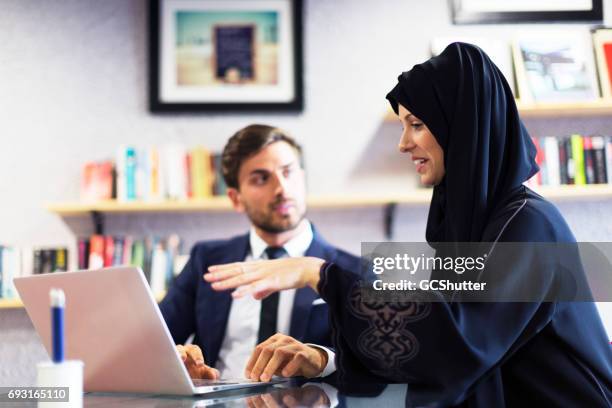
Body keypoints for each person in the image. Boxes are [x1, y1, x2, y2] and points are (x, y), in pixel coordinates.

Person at [204, 43, 612, 406]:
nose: (403, 143)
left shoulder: (530, 226)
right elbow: (428, 347)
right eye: (402, 125)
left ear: (462, 128)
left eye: (416, 124)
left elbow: (460, 343)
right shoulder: (471, 229)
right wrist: (321, 359)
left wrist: (320, 274)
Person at [160, 124, 360, 381]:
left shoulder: (353, 270)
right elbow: (157, 341)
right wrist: (182, 368)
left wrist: (322, 359)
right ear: (235, 198)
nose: (282, 189)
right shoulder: (206, 260)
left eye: (288, 172)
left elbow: (380, 363)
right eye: (261, 178)